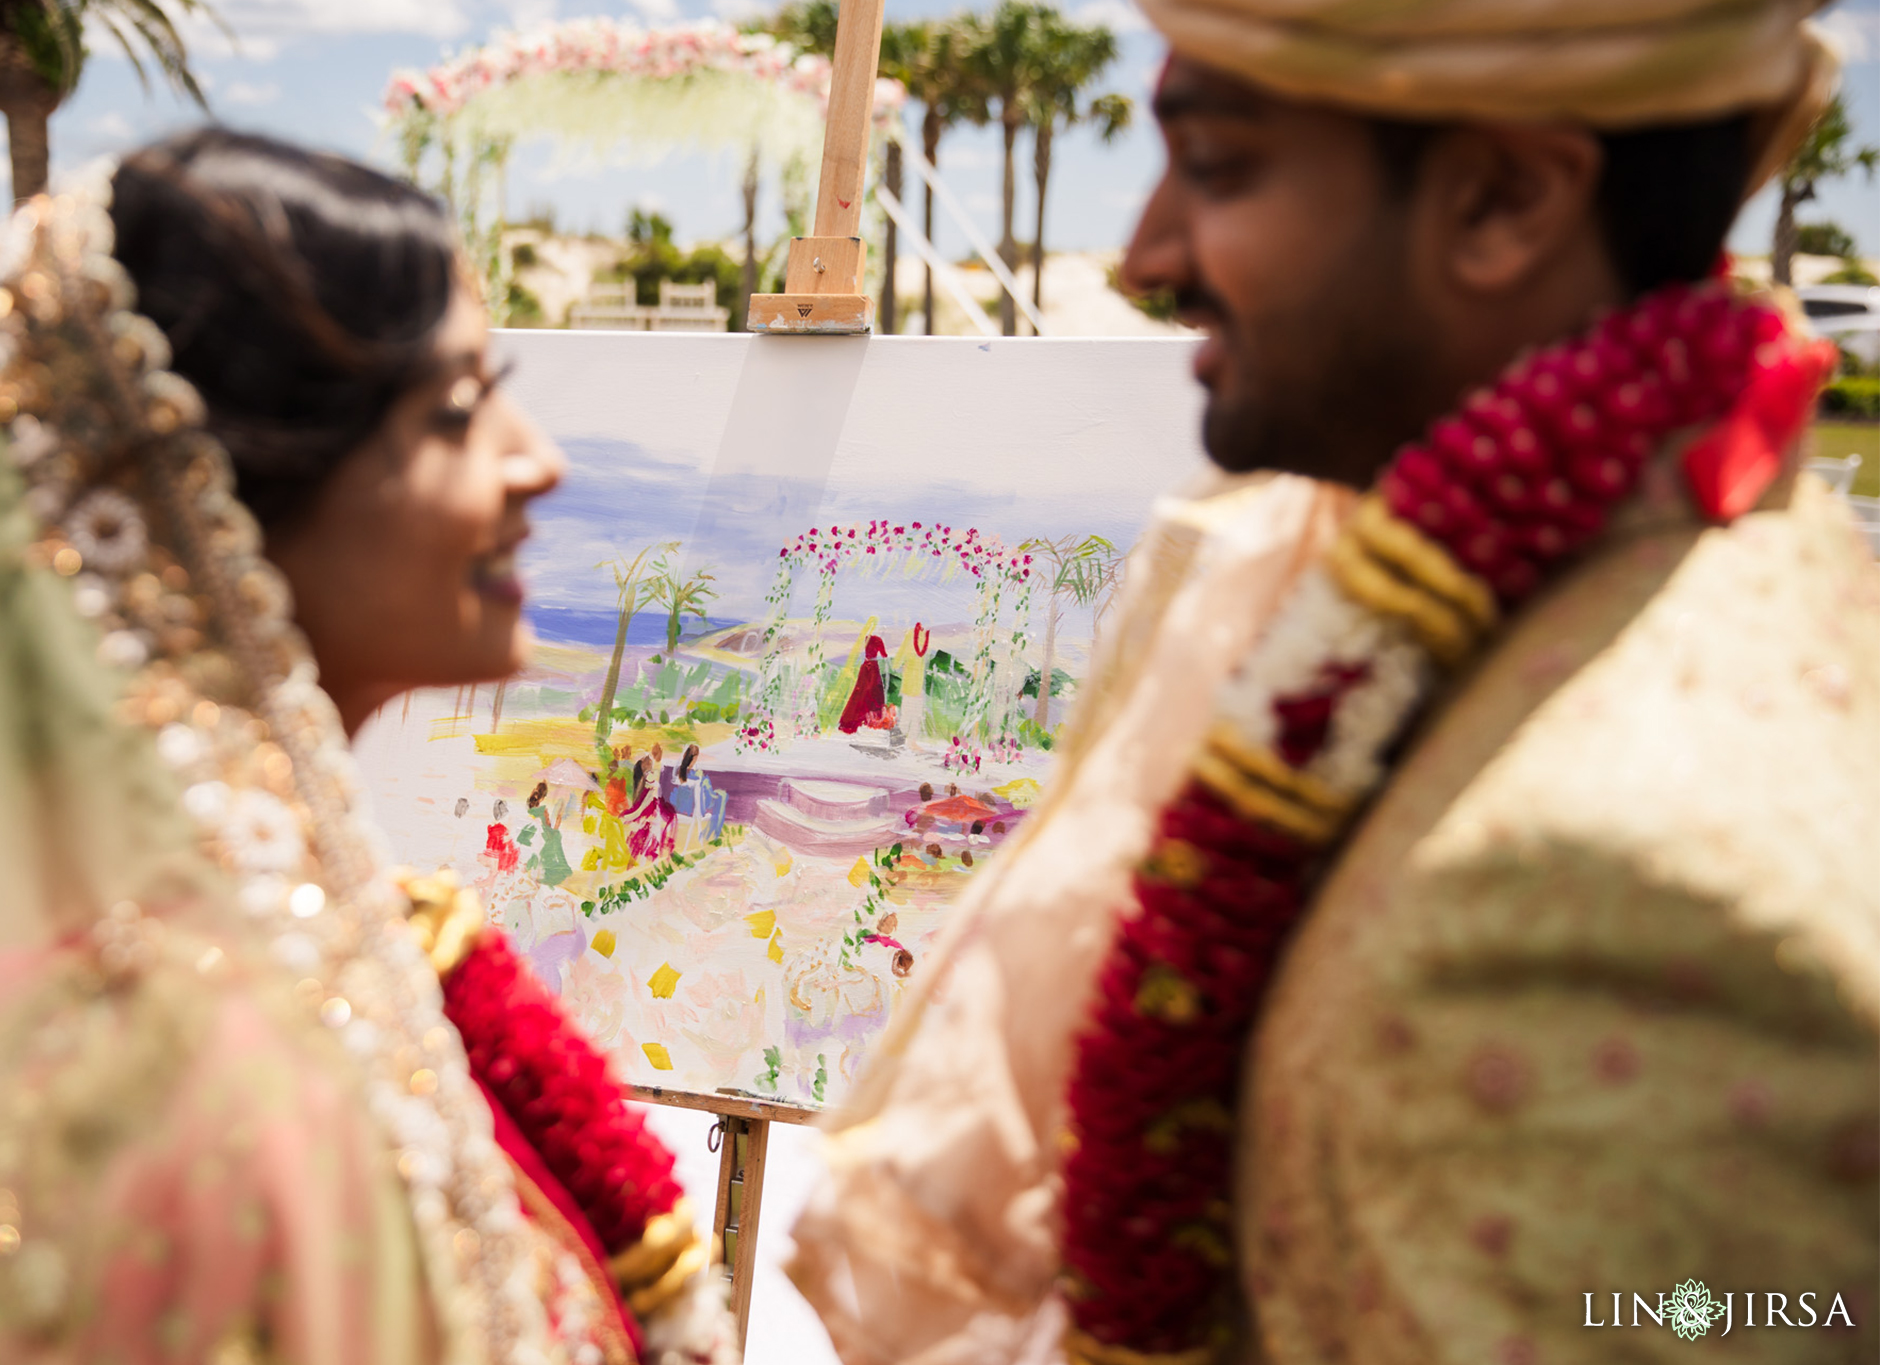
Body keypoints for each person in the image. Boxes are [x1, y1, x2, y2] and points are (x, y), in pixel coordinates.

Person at [788, 4, 1876, 1364]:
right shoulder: (1439, 581)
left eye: (1225, 167)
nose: (1145, 256)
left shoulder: (1619, 890)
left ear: (1505, 200)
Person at [0, 129, 730, 1365]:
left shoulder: (317, 951)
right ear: (209, 498)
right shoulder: (156, 1069)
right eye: (460, 409)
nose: (539, 460)